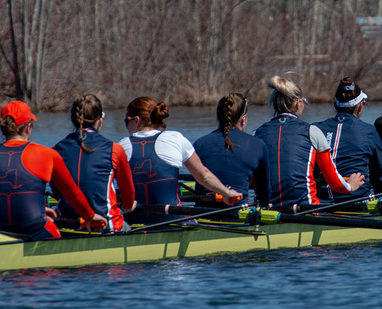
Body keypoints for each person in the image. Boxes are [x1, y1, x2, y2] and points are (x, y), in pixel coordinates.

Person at [0, 101, 106, 239]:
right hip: (34, 229)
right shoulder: (47, 154)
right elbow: (71, 192)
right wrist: (89, 216)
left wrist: (41, 207)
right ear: (28, 127)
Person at [120, 96, 241, 224]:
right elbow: (203, 175)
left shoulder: (120, 147)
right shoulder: (175, 138)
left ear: (137, 120)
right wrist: (227, 193)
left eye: (126, 121)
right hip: (174, 221)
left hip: (135, 224)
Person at [254, 76, 365, 211]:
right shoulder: (312, 131)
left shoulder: (257, 134)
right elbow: (334, 181)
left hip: (268, 211)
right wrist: (349, 186)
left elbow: (255, 181)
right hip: (307, 210)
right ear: (297, 104)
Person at [53, 94, 137, 233]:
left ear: (74, 120)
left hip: (67, 226)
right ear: (100, 121)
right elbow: (128, 200)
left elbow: (57, 193)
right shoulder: (115, 150)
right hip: (104, 226)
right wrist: (129, 206)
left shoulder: (55, 150)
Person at [314, 77, 382, 202]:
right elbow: (380, 173)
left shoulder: (315, 129)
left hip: (323, 200)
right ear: (359, 106)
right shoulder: (369, 131)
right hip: (356, 200)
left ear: (335, 105)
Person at [193, 93, 271, 207]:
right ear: (243, 119)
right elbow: (264, 191)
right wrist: (264, 206)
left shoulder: (199, 144)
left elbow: (199, 189)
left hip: (204, 213)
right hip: (239, 214)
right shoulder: (258, 144)